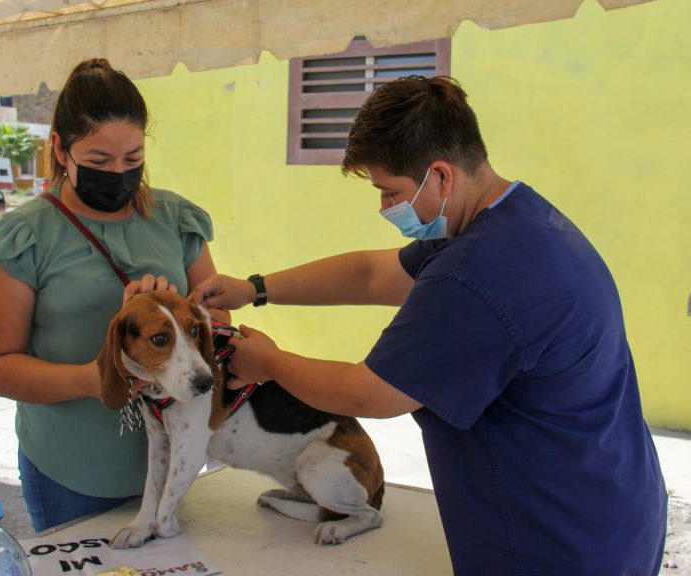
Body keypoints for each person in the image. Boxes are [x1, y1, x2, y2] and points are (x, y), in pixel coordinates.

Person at [189, 76, 667, 575]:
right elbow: (375, 275)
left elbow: (371, 395)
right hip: (614, 502)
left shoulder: (477, 274)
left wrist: (270, 363)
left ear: (441, 175)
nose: (384, 208)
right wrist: (256, 288)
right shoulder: (515, 216)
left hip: (555, 540)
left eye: (390, 192)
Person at [0, 58, 225, 532]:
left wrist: (178, 318)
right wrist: (101, 378)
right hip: (73, 470)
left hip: (177, 465)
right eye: (98, 161)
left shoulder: (175, 219)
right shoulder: (25, 235)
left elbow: (221, 326)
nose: (118, 172)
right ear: (60, 149)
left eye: (133, 160)